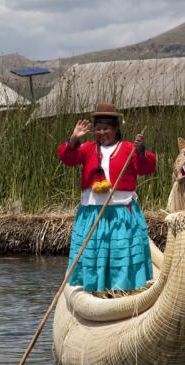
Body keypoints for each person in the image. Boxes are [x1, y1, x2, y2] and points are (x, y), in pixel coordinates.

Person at [57, 103, 157, 292]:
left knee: (121, 254)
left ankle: (122, 291)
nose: (102, 133)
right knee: (92, 254)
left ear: (116, 129)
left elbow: (147, 168)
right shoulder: (87, 149)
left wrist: (141, 150)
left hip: (121, 214)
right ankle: (92, 290)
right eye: (98, 129)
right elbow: (67, 157)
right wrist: (73, 139)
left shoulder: (128, 148)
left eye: (106, 129)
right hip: (92, 214)